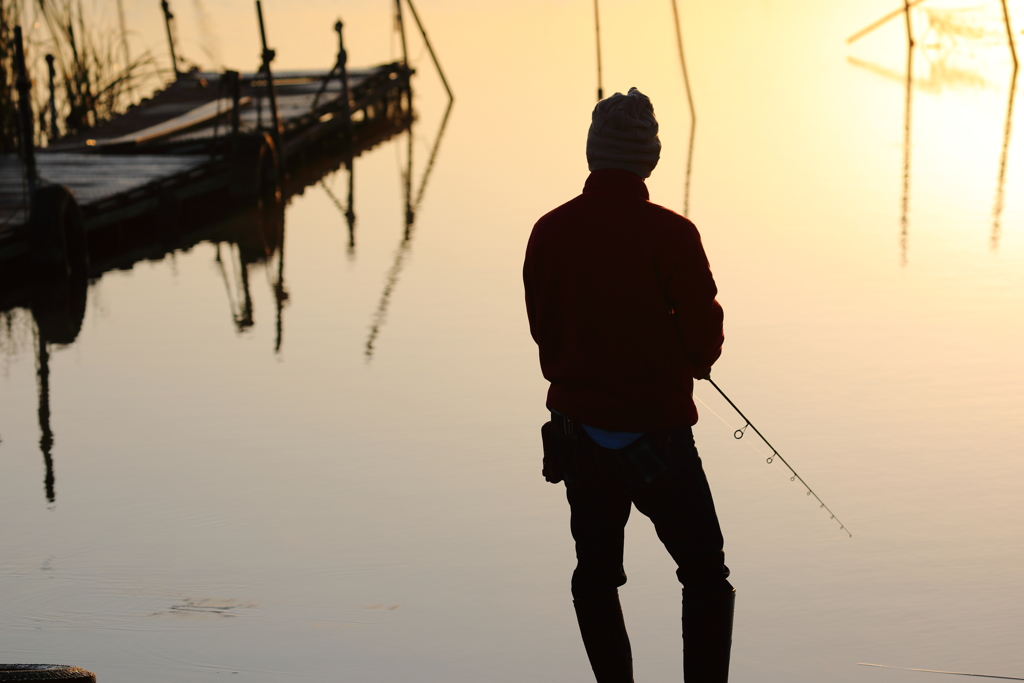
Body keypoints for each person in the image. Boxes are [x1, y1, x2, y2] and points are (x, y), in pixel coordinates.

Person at [523, 87, 734, 683]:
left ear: (594, 155)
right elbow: (704, 343)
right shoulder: (672, 235)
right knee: (704, 575)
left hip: (579, 440)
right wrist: (688, 358)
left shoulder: (548, 232)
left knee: (595, 574)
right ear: (648, 159)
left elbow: (544, 334)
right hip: (660, 442)